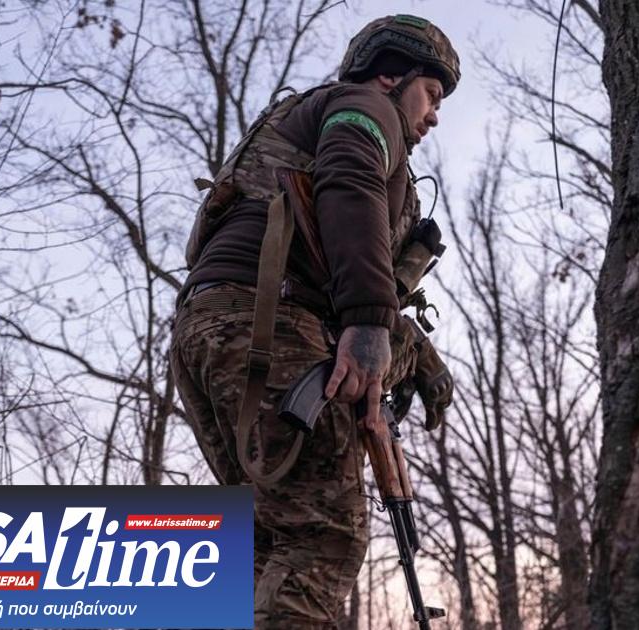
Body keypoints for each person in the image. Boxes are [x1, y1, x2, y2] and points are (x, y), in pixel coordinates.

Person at [169, 14, 458, 629]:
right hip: (267, 324)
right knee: (322, 535)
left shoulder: (307, 118)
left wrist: (403, 337)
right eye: (432, 94)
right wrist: (369, 321)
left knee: (269, 537)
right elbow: (350, 180)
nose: (435, 116)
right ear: (391, 75)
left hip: (208, 328)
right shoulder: (364, 107)